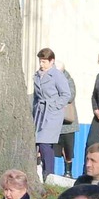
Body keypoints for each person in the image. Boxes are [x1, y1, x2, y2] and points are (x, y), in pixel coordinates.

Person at [32, 49, 75, 178]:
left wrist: (54, 106)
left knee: (45, 143)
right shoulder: (37, 75)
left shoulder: (56, 75)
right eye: (40, 61)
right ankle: (43, 174)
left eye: (44, 62)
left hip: (51, 113)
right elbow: (36, 96)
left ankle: (49, 174)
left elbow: (66, 94)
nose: (42, 64)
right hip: (39, 113)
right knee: (38, 144)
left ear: (52, 61)